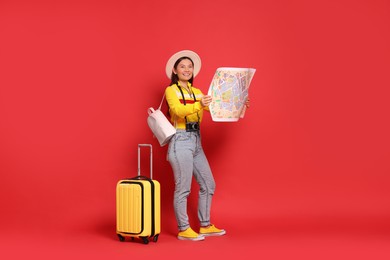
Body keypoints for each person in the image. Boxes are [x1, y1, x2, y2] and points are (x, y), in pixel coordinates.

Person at [164, 50, 250, 241]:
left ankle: (205, 226)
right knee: (183, 188)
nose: (187, 69)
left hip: (196, 140)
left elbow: (217, 107)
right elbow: (177, 111)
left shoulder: (196, 92)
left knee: (208, 184)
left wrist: (240, 104)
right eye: (182, 66)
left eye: (189, 66)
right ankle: (184, 229)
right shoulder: (171, 90)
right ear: (175, 71)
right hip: (180, 140)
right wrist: (198, 103)